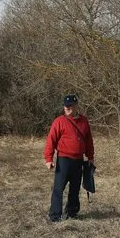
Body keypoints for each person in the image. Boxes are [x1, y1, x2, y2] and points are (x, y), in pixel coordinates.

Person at [44, 94, 95, 222]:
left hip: (78, 160)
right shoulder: (59, 121)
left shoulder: (84, 121)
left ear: (76, 106)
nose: (67, 108)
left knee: (75, 188)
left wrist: (90, 156)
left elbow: (89, 140)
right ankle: (55, 215)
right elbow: (51, 140)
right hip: (64, 160)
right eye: (65, 106)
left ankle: (72, 212)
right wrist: (48, 159)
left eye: (70, 106)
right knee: (58, 188)